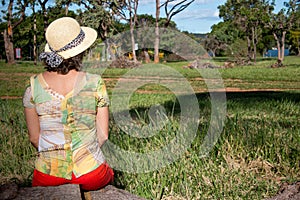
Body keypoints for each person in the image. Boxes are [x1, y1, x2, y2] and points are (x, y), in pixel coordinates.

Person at [23, 17, 114, 191]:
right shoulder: (95, 82)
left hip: (48, 175)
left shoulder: (33, 87)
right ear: (80, 51)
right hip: (91, 174)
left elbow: (35, 138)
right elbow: (103, 136)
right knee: (108, 172)